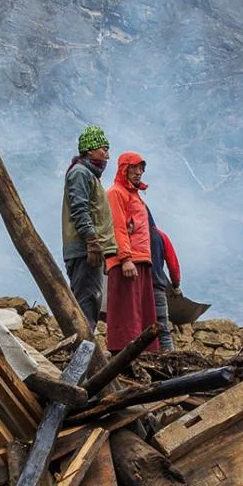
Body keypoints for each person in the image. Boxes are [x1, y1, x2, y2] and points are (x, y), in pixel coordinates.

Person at [104, 151, 158, 353]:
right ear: (123, 169)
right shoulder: (116, 193)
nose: (138, 172)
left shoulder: (134, 195)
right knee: (127, 311)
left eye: (141, 168)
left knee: (141, 310)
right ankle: (124, 352)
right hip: (127, 261)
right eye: (133, 168)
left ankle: (145, 352)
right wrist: (125, 259)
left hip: (141, 259)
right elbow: (118, 227)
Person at [61, 126, 114, 325]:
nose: (107, 155)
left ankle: (84, 348)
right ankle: (83, 352)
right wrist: (92, 241)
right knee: (86, 302)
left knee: (90, 300)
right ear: (90, 150)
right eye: (103, 149)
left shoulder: (89, 175)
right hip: (84, 249)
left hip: (90, 249)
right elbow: (79, 210)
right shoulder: (81, 173)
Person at [149, 216, 181, 351]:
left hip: (135, 289)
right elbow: (173, 265)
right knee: (163, 331)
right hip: (157, 288)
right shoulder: (161, 236)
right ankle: (169, 360)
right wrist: (175, 285)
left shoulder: (131, 236)